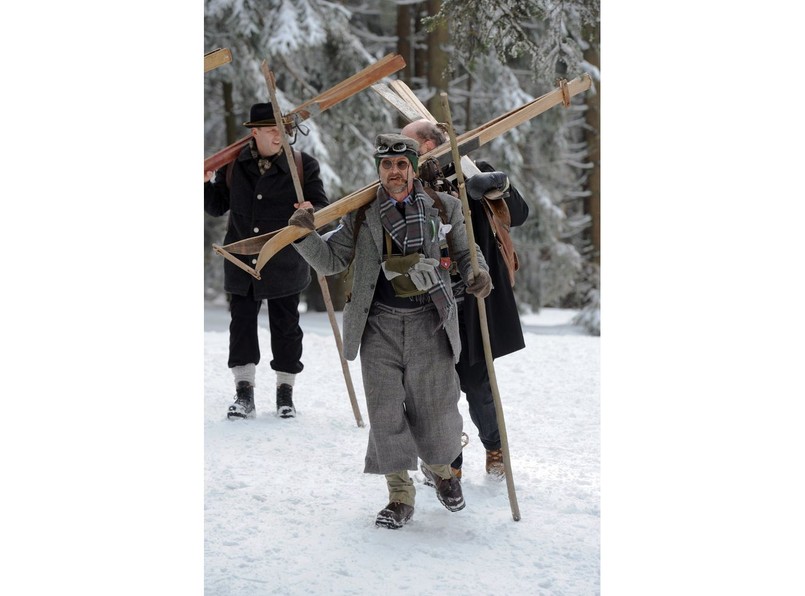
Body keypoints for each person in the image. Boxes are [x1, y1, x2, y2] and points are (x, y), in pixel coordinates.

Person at [286, 133, 492, 529]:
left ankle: (442, 472)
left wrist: (477, 275)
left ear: (413, 168)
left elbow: (468, 254)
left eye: (401, 165)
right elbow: (330, 261)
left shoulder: (443, 207)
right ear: (378, 167)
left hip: (429, 321)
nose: (394, 172)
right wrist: (303, 235)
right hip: (377, 324)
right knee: (384, 413)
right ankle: (400, 496)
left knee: (436, 405)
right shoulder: (361, 214)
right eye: (386, 165)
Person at [400, 119, 530, 479]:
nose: (400, 151)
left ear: (427, 146)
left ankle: (495, 448)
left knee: (476, 384)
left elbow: (518, 214)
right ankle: (448, 463)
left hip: (474, 299)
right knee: (436, 389)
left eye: (407, 142)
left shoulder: (475, 171)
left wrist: (498, 187)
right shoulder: (410, 185)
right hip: (430, 301)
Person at [204, 102, 329, 420]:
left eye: (282, 131)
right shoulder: (232, 166)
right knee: (241, 327)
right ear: (255, 132)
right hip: (242, 261)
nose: (279, 137)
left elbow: (322, 208)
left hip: (285, 261)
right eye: (272, 131)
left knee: (287, 329)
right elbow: (218, 206)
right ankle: (244, 394)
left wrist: (309, 209)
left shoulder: (303, 165)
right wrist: (205, 183)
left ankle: (285, 394)